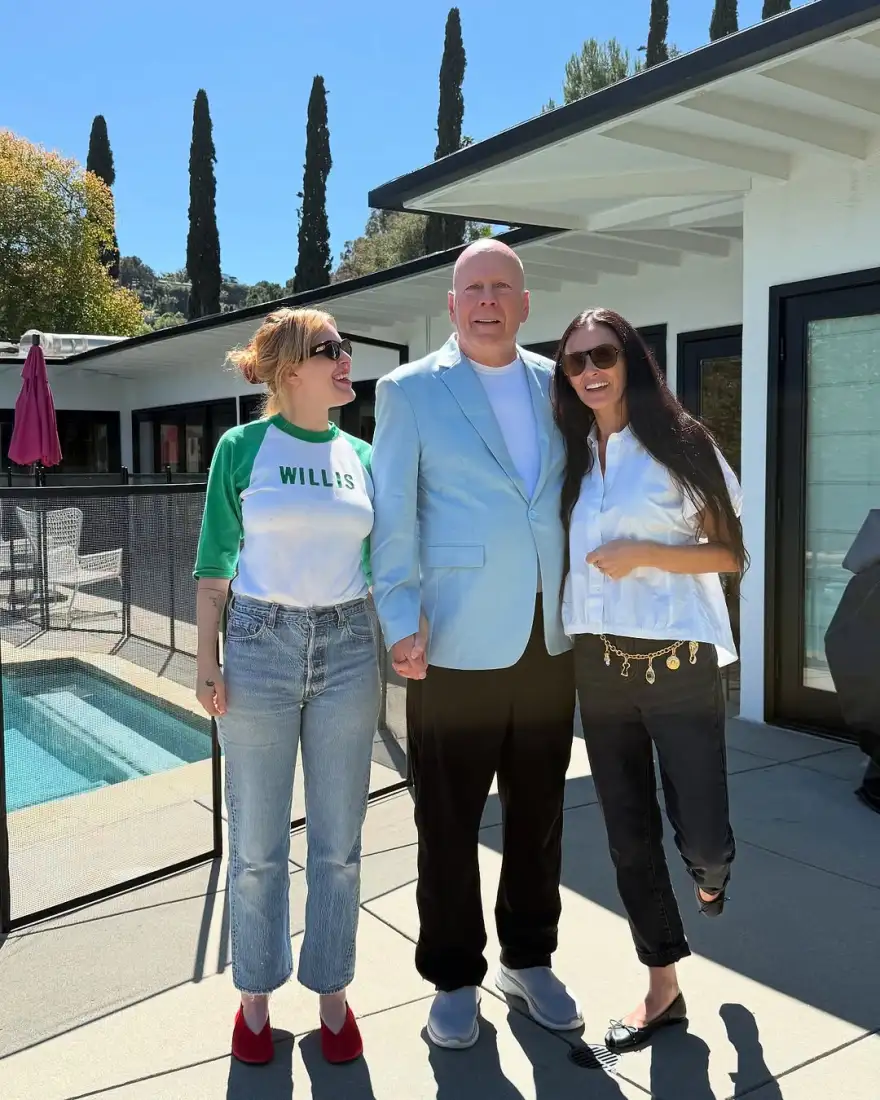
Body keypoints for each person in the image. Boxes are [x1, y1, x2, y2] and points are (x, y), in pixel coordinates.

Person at [369, 239, 581, 1050]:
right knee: (449, 821)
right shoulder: (410, 391)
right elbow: (394, 516)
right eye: (473, 288)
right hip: (452, 640)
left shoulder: (557, 384)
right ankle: (454, 976)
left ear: (525, 304)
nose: (487, 300)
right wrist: (400, 618)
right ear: (452, 306)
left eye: (502, 287)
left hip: (547, 638)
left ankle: (529, 959)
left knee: (540, 815)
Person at [552, 307, 747, 1053]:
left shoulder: (680, 441)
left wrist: (644, 553)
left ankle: (713, 876)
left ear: (630, 358)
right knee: (628, 836)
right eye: (575, 362)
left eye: (602, 354)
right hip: (599, 665)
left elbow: (729, 553)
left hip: (677, 662)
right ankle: (662, 986)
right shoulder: (573, 454)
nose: (590, 371)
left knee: (704, 835)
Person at [193, 307, 380, 1067]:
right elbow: (215, 563)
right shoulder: (242, 448)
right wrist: (206, 661)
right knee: (257, 846)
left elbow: (384, 561)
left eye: (346, 347)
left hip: (349, 646)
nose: (346, 359)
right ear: (292, 368)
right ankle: (254, 999)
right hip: (259, 648)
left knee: (339, 844)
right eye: (332, 349)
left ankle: (332, 992)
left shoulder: (362, 456)